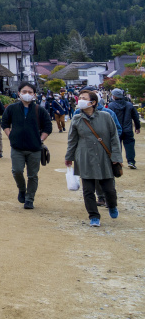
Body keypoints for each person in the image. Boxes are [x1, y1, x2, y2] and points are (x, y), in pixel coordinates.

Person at [66, 91, 122, 227]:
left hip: (104, 157)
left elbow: (114, 137)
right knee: (88, 190)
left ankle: (112, 205)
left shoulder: (106, 116)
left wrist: (116, 156)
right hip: (84, 157)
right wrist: (69, 157)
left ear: (93, 102)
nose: (80, 100)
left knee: (109, 189)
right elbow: (72, 140)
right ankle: (94, 216)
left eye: (84, 98)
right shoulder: (77, 118)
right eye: (79, 98)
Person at [0, 82, 52, 210]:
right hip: (17, 147)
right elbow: (5, 123)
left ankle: (30, 199)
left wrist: (41, 139)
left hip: (34, 148)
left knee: (32, 175)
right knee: (16, 171)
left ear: (34, 94)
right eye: (24, 92)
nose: (27, 94)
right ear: (19, 93)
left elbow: (48, 127)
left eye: (30, 92)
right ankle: (22, 189)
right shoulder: (11, 108)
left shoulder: (40, 110)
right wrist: (10, 135)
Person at [106, 88, 140, 170]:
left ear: (114, 96)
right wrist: (137, 127)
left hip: (116, 129)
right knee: (130, 146)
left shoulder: (111, 105)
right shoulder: (129, 104)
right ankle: (131, 161)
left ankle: (118, 162)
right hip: (128, 129)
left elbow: (108, 118)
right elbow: (135, 116)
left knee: (117, 145)